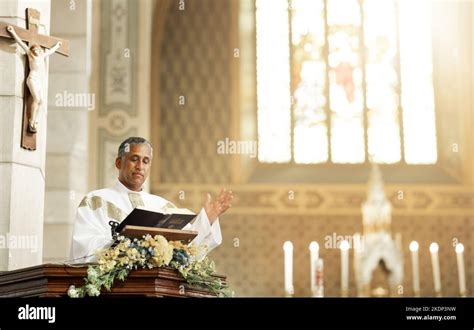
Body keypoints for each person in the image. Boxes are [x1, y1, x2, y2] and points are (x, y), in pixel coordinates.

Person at [70, 137, 233, 262]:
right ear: (119, 163)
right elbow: (84, 248)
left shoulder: (164, 206)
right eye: (134, 159)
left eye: (146, 161)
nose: (140, 166)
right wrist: (128, 247)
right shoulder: (95, 201)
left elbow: (188, 251)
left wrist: (207, 220)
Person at [7, 25, 62, 133]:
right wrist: (12, 32)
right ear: (32, 50)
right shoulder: (29, 54)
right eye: (35, 49)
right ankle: (31, 120)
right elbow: (20, 42)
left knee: (41, 101)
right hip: (31, 79)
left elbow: (50, 52)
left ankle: (34, 121)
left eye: (38, 49)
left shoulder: (41, 56)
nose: (36, 50)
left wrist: (57, 46)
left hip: (38, 81)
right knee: (36, 99)